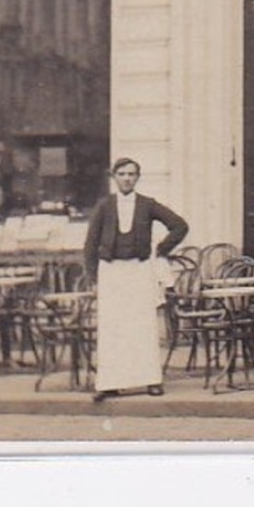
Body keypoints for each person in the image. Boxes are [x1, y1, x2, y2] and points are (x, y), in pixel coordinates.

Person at [83, 157, 189, 400]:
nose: (127, 178)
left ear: (137, 178)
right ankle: (109, 383)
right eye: (122, 174)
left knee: (143, 326)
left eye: (132, 174)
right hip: (111, 272)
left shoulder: (147, 204)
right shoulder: (104, 206)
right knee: (114, 328)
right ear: (114, 177)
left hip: (140, 270)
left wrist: (161, 250)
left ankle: (151, 380)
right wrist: (92, 277)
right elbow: (90, 244)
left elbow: (179, 225)